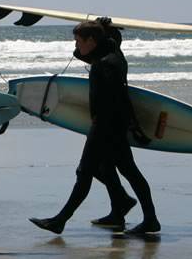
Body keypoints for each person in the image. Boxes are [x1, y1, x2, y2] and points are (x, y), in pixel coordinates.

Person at [29, 18, 160, 236]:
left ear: (92, 40)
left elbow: (114, 100)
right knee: (116, 170)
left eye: (79, 40)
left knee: (85, 172)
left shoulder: (105, 64)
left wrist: (103, 131)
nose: (76, 46)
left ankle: (60, 221)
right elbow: (82, 54)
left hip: (105, 127)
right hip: (114, 126)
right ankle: (123, 208)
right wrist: (101, 29)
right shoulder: (114, 54)